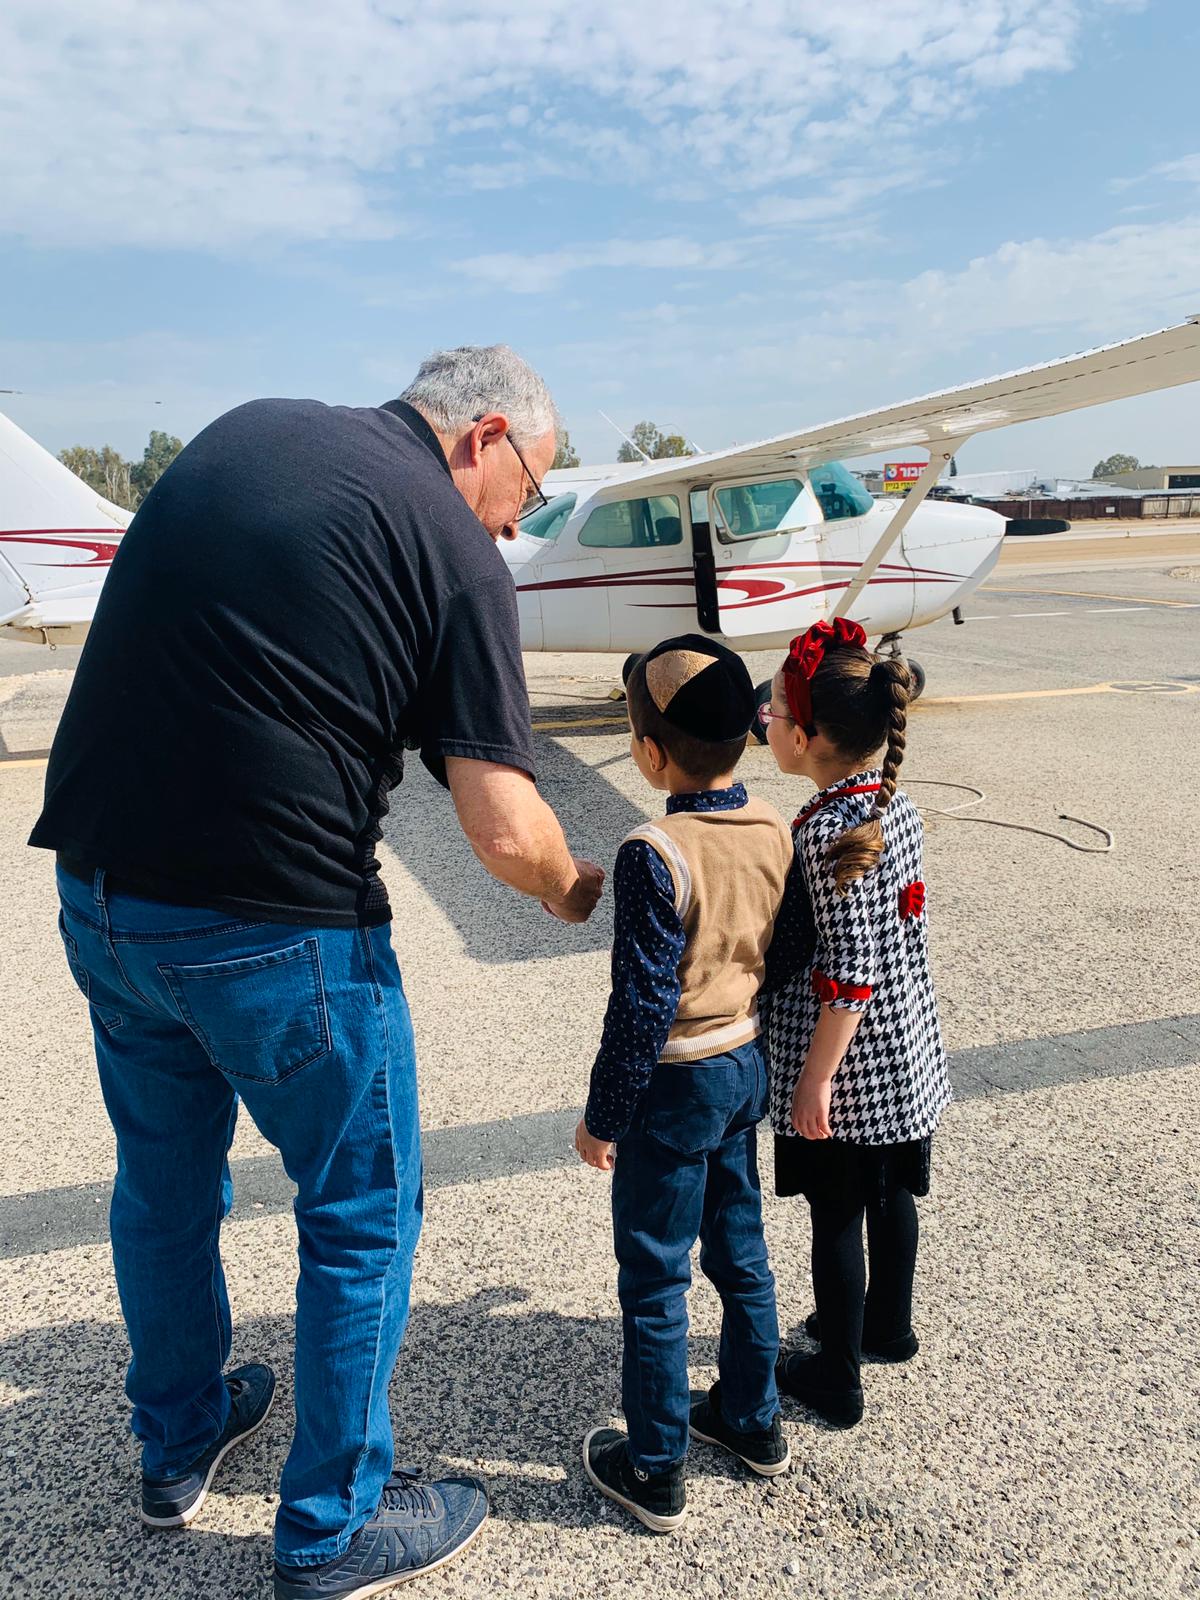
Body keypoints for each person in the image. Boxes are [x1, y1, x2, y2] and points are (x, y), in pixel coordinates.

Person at [30, 346, 604, 1599]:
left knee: (163, 1181)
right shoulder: (452, 544)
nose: (517, 525)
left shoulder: (253, 426)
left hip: (102, 896)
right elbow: (505, 828)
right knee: (361, 1205)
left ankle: (177, 1435)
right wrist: (579, 888)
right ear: (485, 436)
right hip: (274, 924)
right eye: (529, 489)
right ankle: (334, 1523)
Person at [574, 635, 794, 1533]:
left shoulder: (654, 851)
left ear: (650, 752)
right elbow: (791, 948)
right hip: (743, 1064)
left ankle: (655, 1464)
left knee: (656, 1276)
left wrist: (603, 1117)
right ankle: (752, 1417)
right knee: (741, 1252)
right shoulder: (773, 826)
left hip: (674, 1081)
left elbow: (642, 1005)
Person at [758, 618, 951, 1430]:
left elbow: (848, 971)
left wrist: (815, 1080)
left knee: (835, 1213)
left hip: (846, 1064)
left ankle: (836, 1376)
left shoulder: (828, 835)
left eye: (774, 711)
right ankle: (887, 1327)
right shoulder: (889, 805)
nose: (765, 720)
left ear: (806, 738)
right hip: (904, 1050)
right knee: (891, 1190)